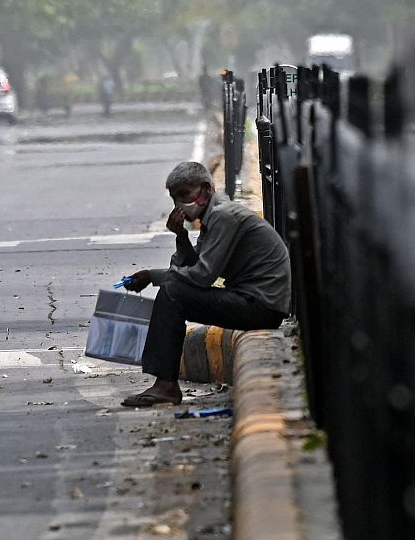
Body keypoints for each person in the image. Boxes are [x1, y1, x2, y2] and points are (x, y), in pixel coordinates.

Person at [120, 161, 291, 407]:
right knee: (173, 289)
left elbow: (201, 276)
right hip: (253, 301)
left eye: (184, 195)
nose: (179, 205)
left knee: (172, 292)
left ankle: (166, 385)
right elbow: (193, 265)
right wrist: (180, 237)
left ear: (206, 190)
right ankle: (165, 383)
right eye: (174, 198)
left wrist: (155, 277)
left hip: (261, 305)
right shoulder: (211, 219)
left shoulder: (223, 216)